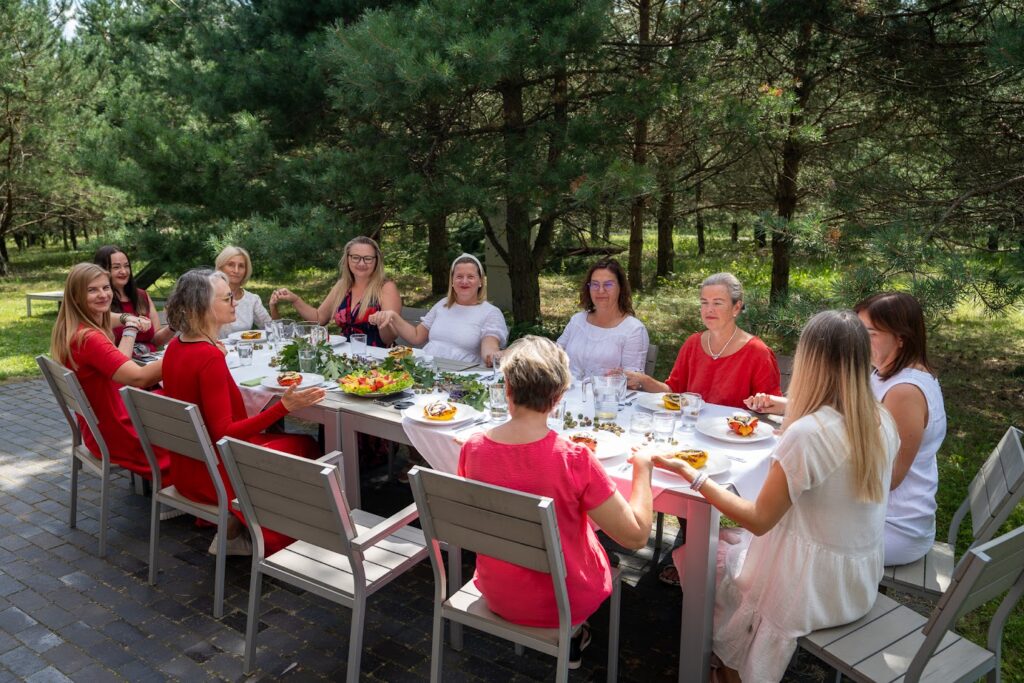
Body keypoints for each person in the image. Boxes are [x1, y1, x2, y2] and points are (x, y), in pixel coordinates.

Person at [654, 310, 900, 683]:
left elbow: (758, 520)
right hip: (856, 582)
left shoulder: (810, 434)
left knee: (701, 556)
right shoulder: (880, 418)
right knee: (727, 542)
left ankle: (728, 669)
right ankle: (726, 662)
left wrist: (694, 475)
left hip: (807, 591)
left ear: (809, 361)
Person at [458, 336, 654, 668]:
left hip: (497, 592)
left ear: (507, 388)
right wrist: (643, 468)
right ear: (560, 397)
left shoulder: (473, 448)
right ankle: (575, 635)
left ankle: (574, 637)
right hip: (562, 603)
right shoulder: (574, 458)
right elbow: (636, 537)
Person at [746, 293, 946, 567]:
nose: (859, 341)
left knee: (775, 523)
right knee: (775, 503)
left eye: (870, 334)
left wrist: (817, 455)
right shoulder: (883, 373)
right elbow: (852, 414)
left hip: (893, 525)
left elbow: (888, 477)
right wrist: (784, 405)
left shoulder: (905, 392)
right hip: (872, 510)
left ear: (901, 338)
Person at [161, 269, 325, 555]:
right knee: (307, 447)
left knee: (292, 442)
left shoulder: (177, 345)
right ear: (202, 307)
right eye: (227, 298)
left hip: (187, 470)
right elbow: (225, 432)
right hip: (216, 478)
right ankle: (275, 540)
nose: (235, 302)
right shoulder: (208, 357)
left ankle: (239, 529)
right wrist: (283, 408)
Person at [49, 263, 168, 479]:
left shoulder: (72, 326)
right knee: (189, 433)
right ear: (76, 297)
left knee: (171, 403)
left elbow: (110, 319)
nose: (103, 295)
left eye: (105, 288)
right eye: (92, 290)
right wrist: (184, 354)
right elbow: (138, 378)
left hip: (97, 427)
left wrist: (126, 319)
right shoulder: (90, 338)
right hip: (115, 432)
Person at [624, 272, 781, 409]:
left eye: (717, 303)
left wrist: (762, 403)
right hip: (689, 429)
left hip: (734, 432)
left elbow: (772, 406)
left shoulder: (757, 352)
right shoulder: (693, 343)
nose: (709, 309)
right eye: (704, 302)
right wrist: (643, 380)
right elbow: (673, 392)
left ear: (736, 308)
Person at [369, 253, 507, 366]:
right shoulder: (443, 304)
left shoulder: (490, 312)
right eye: (459, 276)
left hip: (461, 375)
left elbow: (490, 348)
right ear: (452, 282)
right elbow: (416, 336)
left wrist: (494, 355)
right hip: (426, 369)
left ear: (480, 281)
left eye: (470, 276)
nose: (464, 281)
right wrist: (393, 316)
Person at [269, 236, 402, 347]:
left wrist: (383, 323)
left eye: (368, 258)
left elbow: (389, 339)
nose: (361, 263)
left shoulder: (386, 287)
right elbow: (319, 319)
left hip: (376, 357)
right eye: (355, 257)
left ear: (376, 261)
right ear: (347, 259)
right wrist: (295, 300)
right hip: (343, 355)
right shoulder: (342, 286)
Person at [557, 258, 650, 377]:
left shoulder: (633, 330)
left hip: (605, 389)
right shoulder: (577, 320)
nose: (601, 290)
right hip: (567, 388)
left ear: (621, 288)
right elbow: (555, 355)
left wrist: (621, 377)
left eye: (608, 284)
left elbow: (634, 380)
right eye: (595, 284)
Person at [93, 245, 174, 352]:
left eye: (126, 266)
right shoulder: (100, 300)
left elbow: (155, 340)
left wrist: (173, 326)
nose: (124, 271)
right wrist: (130, 321)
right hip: (122, 360)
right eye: (116, 267)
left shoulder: (141, 296)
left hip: (151, 358)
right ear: (102, 270)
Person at [214, 246, 273, 338]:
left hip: (244, 347)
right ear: (220, 268)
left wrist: (273, 306)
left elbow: (271, 329)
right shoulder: (208, 295)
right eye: (231, 265)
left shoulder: (252, 299)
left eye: (241, 266)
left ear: (246, 271)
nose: (236, 270)